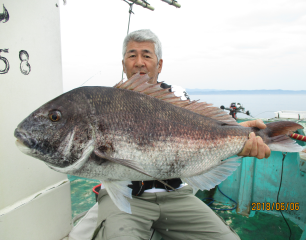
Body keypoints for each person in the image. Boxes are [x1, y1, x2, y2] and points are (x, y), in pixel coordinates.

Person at [92, 29, 270, 240]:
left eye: (147, 55)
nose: (139, 62)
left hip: (176, 196)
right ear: (123, 64)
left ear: (159, 65)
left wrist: (239, 132)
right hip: (127, 197)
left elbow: (201, 130)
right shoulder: (105, 103)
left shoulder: (175, 94)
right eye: (132, 55)